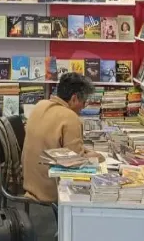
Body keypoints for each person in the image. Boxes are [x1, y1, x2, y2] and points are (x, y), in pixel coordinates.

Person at [22, 72, 100, 203]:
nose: (83, 107)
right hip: (51, 188)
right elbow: (75, 162)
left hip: (30, 183)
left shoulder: (40, 105)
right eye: (84, 102)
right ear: (74, 98)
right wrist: (97, 157)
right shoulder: (70, 117)